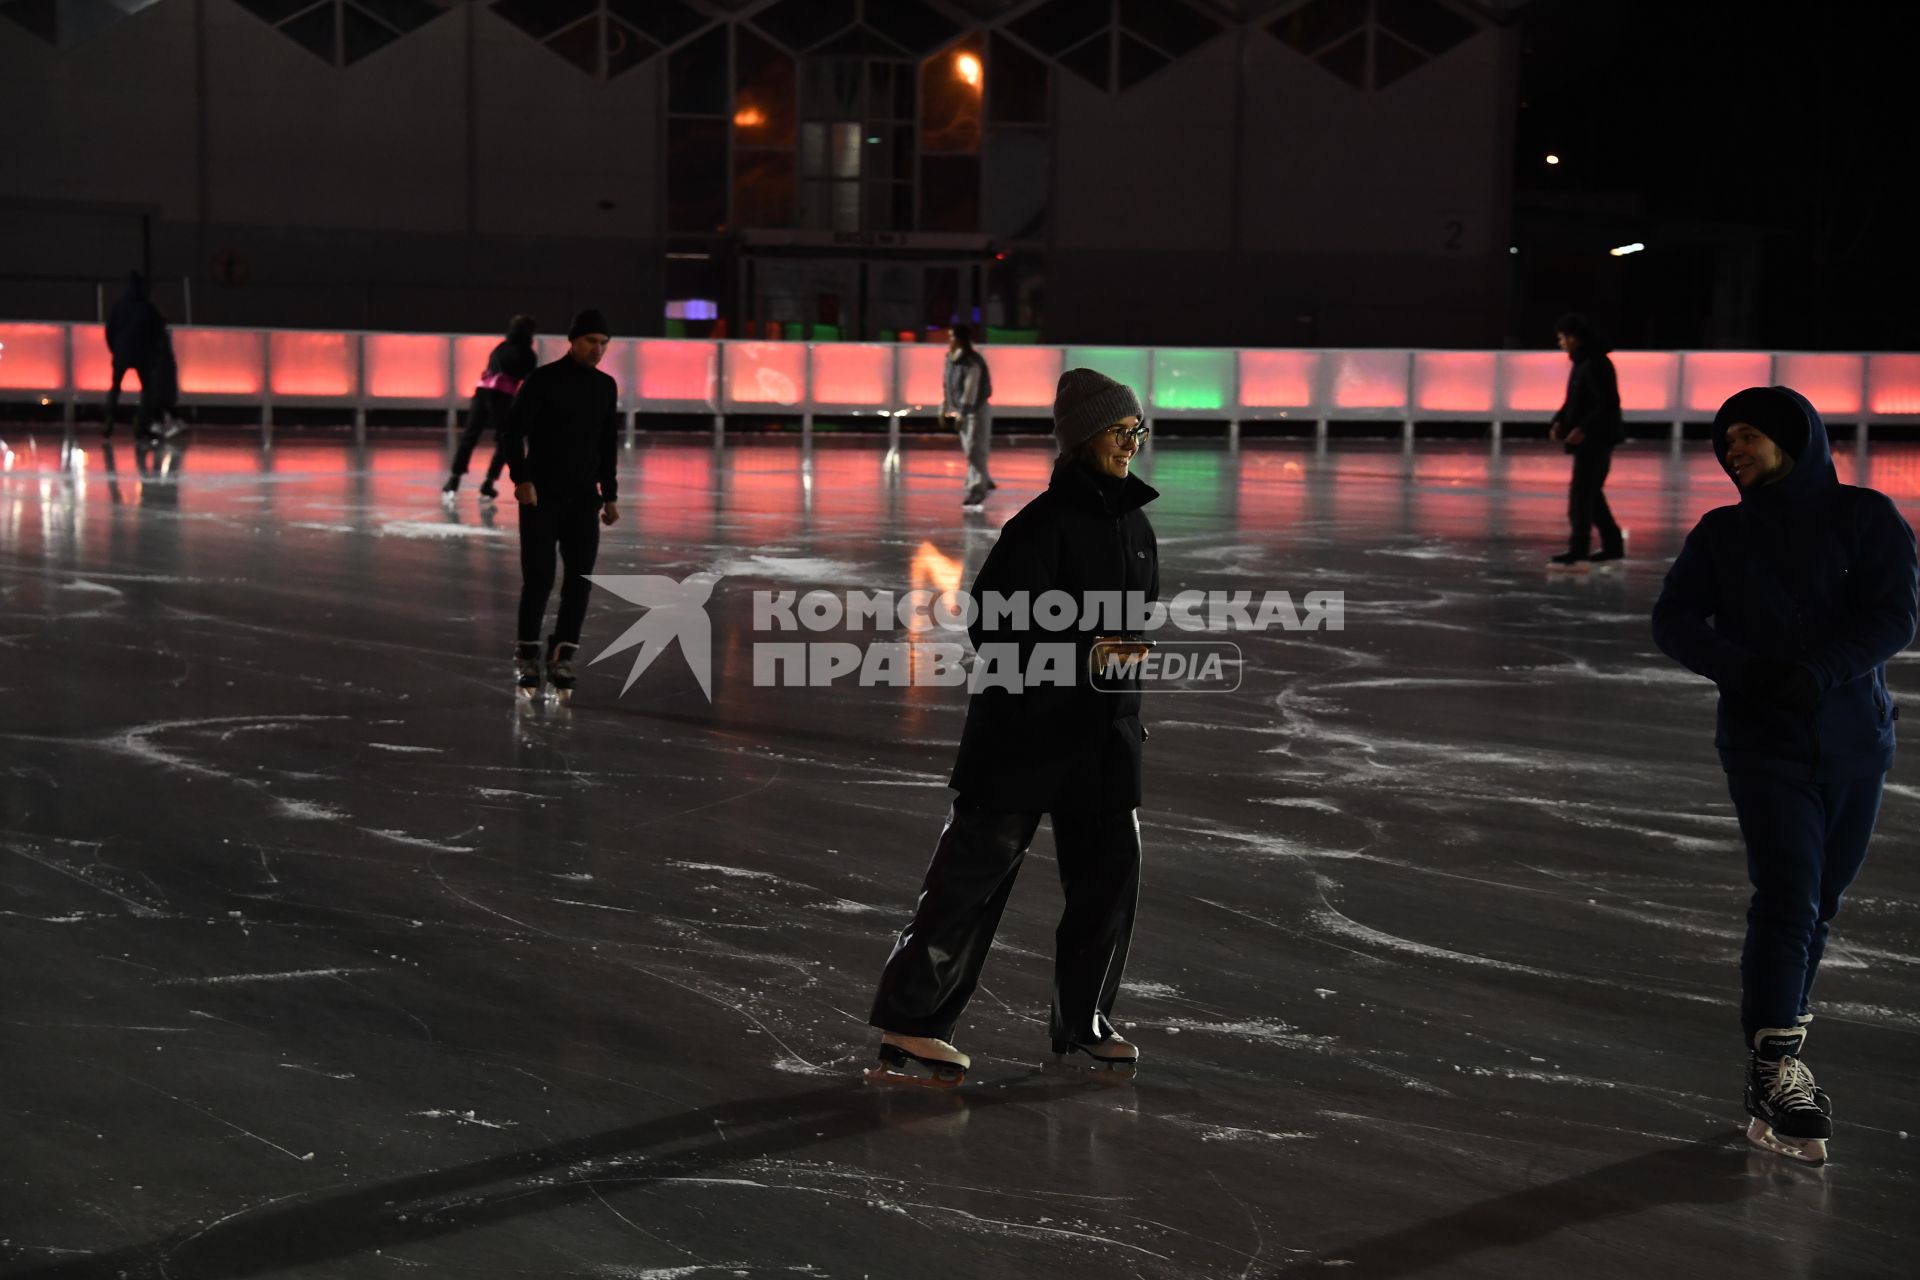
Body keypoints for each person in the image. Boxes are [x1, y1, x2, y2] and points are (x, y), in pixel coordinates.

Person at [867, 368, 1159, 1086]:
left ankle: (1082, 1019)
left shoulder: (1136, 525)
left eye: (1137, 432)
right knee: (972, 879)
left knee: (1111, 877)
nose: (1132, 444)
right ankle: (912, 1025)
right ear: (1083, 437)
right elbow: (992, 624)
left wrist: (1116, 669)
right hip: (1026, 735)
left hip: (1101, 739)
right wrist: (1077, 656)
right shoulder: (1040, 527)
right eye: (1121, 431)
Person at [1652, 385, 1918, 1166]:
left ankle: (1778, 1046)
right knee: (1789, 896)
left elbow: (1895, 616)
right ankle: (1776, 1069)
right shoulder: (1723, 533)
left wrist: (1818, 673)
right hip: (1765, 746)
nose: (1733, 450)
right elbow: (1673, 618)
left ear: (1794, 438)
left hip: (1856, 743)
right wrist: (1744, 672)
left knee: (1819, 902)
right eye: (1724, 440)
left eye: (1747, 437)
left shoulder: (1865, 517)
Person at [499, 309, 620, 702]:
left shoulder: (606, 386)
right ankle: (528, 655)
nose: (597, 350)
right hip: (542, 496)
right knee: (539, 579)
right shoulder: (543, 380)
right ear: (573, 341)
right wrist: (522, 479)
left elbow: (607, 442)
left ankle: (563, 654)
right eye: (590, 341)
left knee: (580, 580)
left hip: (584, 497)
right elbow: (512, 431)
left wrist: (611, 493)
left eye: (603, 343)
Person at [1547, 313, 1625, 566]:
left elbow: (1608, 402)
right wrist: (1559, 420)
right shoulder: (1583, 362)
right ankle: (1612, 545)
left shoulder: (1595, 363)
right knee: (1590, 493)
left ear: (1574, 338)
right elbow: (1574, 400)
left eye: (1561, 338)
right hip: (1592, 438)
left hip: (1597, 439)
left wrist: (1583, 428)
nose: (1560, 343)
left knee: (1582, 494)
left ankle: (1579, 549)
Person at [443, 314, 538, 502]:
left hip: (482, 392)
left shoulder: (500, 348)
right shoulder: (527, 354)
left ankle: (454, 479)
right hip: (503, 397)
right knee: (506, 439)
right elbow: (528, 383)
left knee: (470, 436)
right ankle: (488, 483)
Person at [102, 271, 179, 442]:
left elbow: (109, 331)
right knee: (147, 389)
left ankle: (108, 422)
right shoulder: (147, 307)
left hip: (122, 353)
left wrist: (115, 350)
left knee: (115, 387)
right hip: (142, 356)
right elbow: (158, 330)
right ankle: (141, 424)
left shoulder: (119, 306)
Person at [941, 327, 996, 510]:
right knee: (970, 449)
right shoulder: (951, 359)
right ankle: (984, 482)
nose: (949, 340)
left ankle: (978, 488)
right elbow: (947, 384)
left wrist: (963, 412)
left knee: (975, 449)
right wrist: (945, 406)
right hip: (964, 410)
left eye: (952, 337)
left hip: (976, 410)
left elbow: (971, 389)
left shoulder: (972, 361)